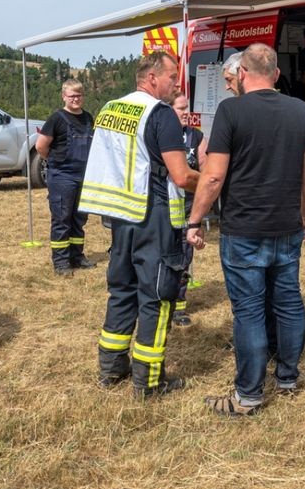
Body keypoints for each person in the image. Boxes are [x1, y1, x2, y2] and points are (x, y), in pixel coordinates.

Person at [187, 44, 305, 417]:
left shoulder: (231, 110)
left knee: (249, 311)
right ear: (276, 75)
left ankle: (248, 396)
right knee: (289, 301)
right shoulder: (301, 110)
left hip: (244, 228)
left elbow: (213, 176)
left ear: (242, 74)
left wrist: (195, 220)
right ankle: (288, 378)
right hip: (287, 224)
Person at [80, 52, 200, 397]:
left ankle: (111, 369)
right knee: (157, 296)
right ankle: (148, 382)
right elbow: (180, 174)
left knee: (122, 291)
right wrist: (211, 182)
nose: (177, 84)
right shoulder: (160, 115)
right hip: (154, 217)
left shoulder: (110, 109)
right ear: (152, 78)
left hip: (120, 218)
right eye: (172, 77)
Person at [35, 79, 95, 276]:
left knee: (79, 219)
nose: (76, 99)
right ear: (64, 97)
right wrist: (54, 161)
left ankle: (77, 257)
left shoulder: (88, 118)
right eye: (72, 96)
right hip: (62, 176)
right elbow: (40, 146)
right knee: (62, 218)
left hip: (83, 175)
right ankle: (61, 262)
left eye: (79, 95)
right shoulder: (57, 119)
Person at [170, 91, 206, 326]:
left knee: (184, 258)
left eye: (187, 108)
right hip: (163, 211)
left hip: (187, 209)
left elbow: (205, 171)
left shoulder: (196, 136)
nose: (186, 113)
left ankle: (179, 308)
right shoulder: (160, 134)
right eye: (181, 109)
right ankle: (160, 303)